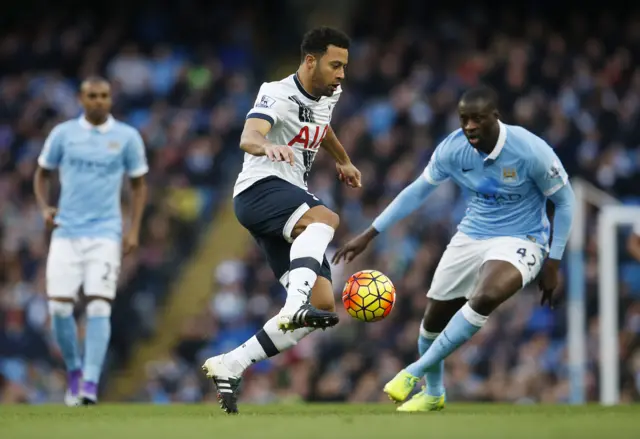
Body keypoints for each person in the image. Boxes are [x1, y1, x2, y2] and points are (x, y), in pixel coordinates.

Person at [333, 85, 575, 412]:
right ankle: (433, 394)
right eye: (464, 119)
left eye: (477, 119)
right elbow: (416, 192)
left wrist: (553, 261)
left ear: (495, 118)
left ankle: (412, 372)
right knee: (430, 326)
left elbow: (566, 201)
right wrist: (370, 233)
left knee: (485, 297)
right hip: (472, 235)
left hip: (524, 238)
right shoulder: (452, 149)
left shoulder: (530, 150)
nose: (470, 126)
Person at [202, 26, 361, 414]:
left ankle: (231, 364)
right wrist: (268, 145)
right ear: (310, 61)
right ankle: (292, 307)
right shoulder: (275, 92)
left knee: (322, 306)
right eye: (335, 65)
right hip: (259, 190)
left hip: (284, 202)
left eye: (344, 66)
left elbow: (321, 127)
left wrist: (342, 158)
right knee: (325, 217)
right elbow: (248, 135)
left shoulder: (330, 93)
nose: (342, 74)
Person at [34, 77, 148, 405]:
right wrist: (43, 207)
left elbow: (139, 184)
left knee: (99, 304)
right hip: (66, 232)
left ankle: (90, 383)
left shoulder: (126, 137)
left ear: (110, 99)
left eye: (104, 96)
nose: (99, 101)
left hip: (106, 233)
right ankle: (73, 371)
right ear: (81, 99)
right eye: (92, 96)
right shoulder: (63, 135)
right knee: (58, 308)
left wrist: (134, 228)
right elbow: (41, 172)